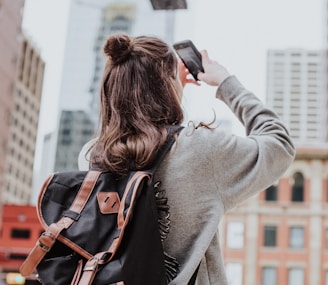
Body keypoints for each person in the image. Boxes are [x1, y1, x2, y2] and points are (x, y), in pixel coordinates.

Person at [78, 34, 295, 285]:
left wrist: (171, 83)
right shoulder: (201, 149)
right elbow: (279, 144)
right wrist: (225, 82)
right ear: (167, 84)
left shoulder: (92, 157)